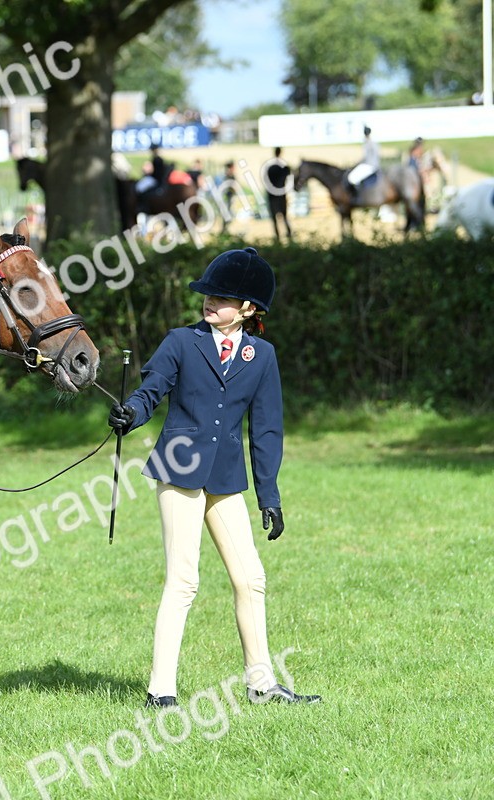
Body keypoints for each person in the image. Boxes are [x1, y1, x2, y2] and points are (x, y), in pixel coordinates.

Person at [108, 247, 321, 709]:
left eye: (221, 298)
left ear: (248, 309)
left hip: (225, 478)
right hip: (179, 472)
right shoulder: (182, 341)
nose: (209, 302)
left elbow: (265, 430)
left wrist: (270, 495)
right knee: (184, 580)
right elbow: (152, 390)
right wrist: (132, 414)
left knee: (251, 579)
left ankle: (261, 685)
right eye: (207, 294)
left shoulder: (261, 356)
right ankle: (160, 690)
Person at [265, 148, 293, 242]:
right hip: (281, 195)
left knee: (274, 218)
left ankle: (277, 236)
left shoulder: (270, 167)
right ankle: (289, 233)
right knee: (284, 216)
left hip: (272, 196)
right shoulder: (284, 167)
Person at [347, 126, 380, 194]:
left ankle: (358, 194)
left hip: (369, 165)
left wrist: (356, 163)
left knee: (352, 178)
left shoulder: (368, 143)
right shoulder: (373, 142)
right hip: (374, 164)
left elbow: (365, 157)